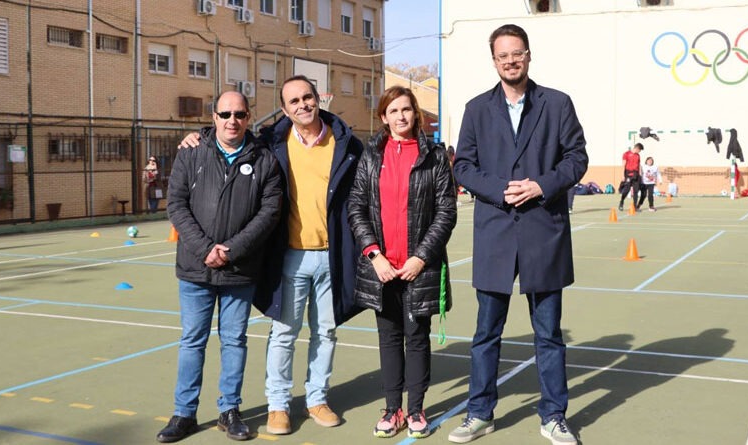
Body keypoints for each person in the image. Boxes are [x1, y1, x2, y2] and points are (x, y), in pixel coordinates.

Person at [178, 75, 364, 435]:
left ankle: (317, 399)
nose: (302, 106)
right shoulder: (272, 144)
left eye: (307, 98)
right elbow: (229, 133)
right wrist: (200, 134)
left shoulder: (347, 143)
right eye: (293, 102)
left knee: (326, 332)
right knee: (284, 333)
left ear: (318, 98)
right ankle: (278, 404)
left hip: (332, 255)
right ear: (284, 109)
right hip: (290, 255)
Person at [449, 24, 588, 444]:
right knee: (485, 334)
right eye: (502, 55)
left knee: (548, 334)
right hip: (494, 234)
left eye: (517, 53)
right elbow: (463, 165)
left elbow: (577, 157)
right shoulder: (476, 109)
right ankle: (480, 413)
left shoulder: (558, 104)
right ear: (493, 60)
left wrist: (541, 185)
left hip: (543, 232)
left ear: (529, 55)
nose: (510, 61)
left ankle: (553, 416)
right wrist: (499, 190)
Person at [158, 91, 283, 443]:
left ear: (248, 117)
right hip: (195, 269)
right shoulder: (191, 152)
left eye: (240, 114)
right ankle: (184, 413)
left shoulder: (264, 160)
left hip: (238, 269)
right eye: (225, 113)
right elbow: (176, 206)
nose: (232, 120)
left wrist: (230, 250)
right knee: (192, 341)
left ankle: (230, 410)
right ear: (213, 117)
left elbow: (269, 213)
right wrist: (204, 249)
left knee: (234, 341)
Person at [347, 86, 457, 439]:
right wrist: (374, 255)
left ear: (416, 114)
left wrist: (421, 257)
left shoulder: (435, 157)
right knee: (389, 338)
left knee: (417, 337)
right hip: (383, 268)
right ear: (383, 117)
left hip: (417, 268)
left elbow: (445, 212)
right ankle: (392, 408)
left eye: (406, 109)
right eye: (393, 110)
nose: (401, 116)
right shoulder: (370, 156)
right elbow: (356, 208)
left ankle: (416, 409)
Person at [618, 143, 643, 212]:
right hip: (628, 174)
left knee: (636, 191)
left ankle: (635, 206)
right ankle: (621, 202)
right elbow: (623, 165)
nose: (639, 152)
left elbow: (639, 165)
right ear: (637, 148)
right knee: (626, 190)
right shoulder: (626, 154)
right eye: (639, 150)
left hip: (636, 174)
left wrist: (640, 175)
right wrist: (622, 175)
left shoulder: (638, 155)